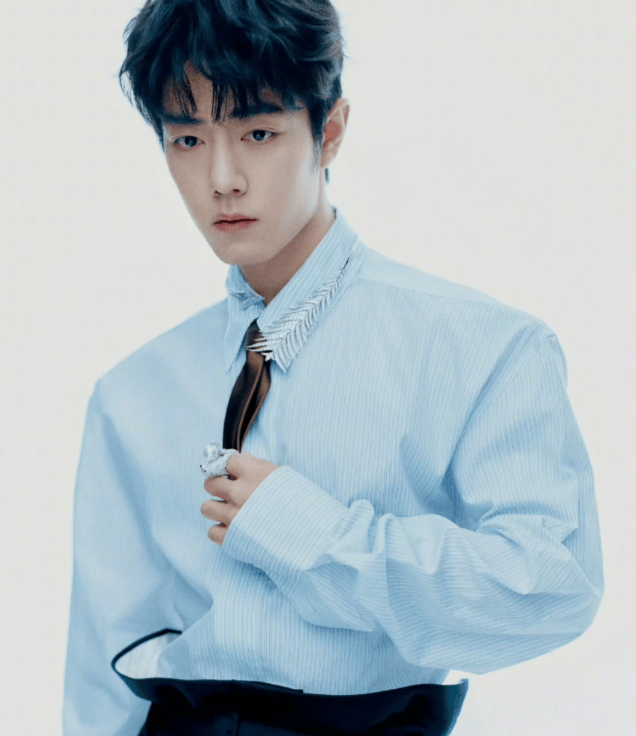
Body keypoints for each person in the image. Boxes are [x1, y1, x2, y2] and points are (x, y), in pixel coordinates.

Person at [62, 1, 605, 735]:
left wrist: (318, 538)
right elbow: (102, 671)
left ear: (331, 132)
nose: (221, 178)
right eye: (186, 139)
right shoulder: (132, 394)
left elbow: (551, 588)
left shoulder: (481, 348)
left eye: (257, 132)